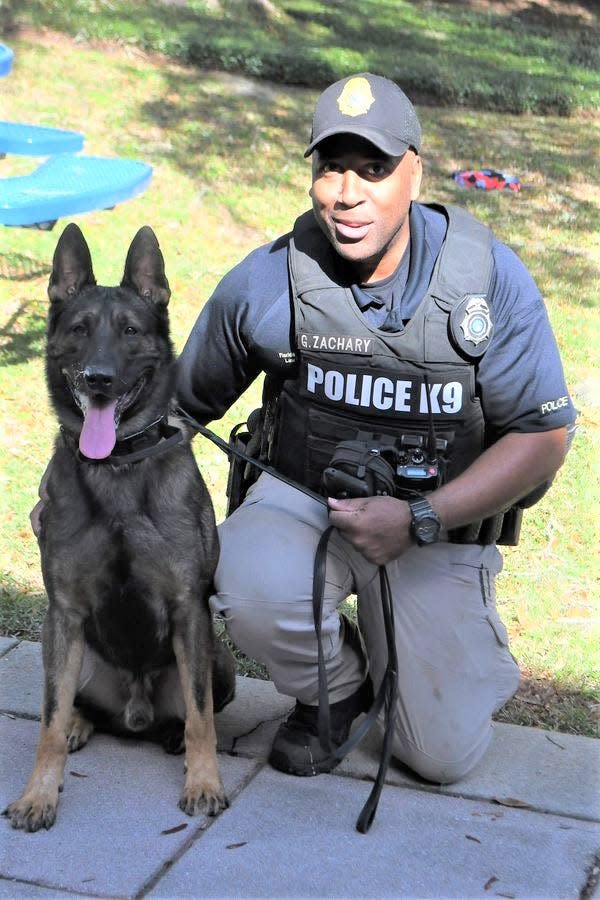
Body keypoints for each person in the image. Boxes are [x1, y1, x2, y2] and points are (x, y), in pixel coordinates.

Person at [177, 73, 576, 785]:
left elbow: (543, 437)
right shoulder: (271, 279)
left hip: (435, 525)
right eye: (332, 166)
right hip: (302, 503)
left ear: (415, 171)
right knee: (253, 583)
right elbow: (178, 409)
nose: (348, 192)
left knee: (440, 755)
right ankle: (339, 689)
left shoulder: (487, 280)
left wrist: (421, 517)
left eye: (375, 168)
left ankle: (418, 656)